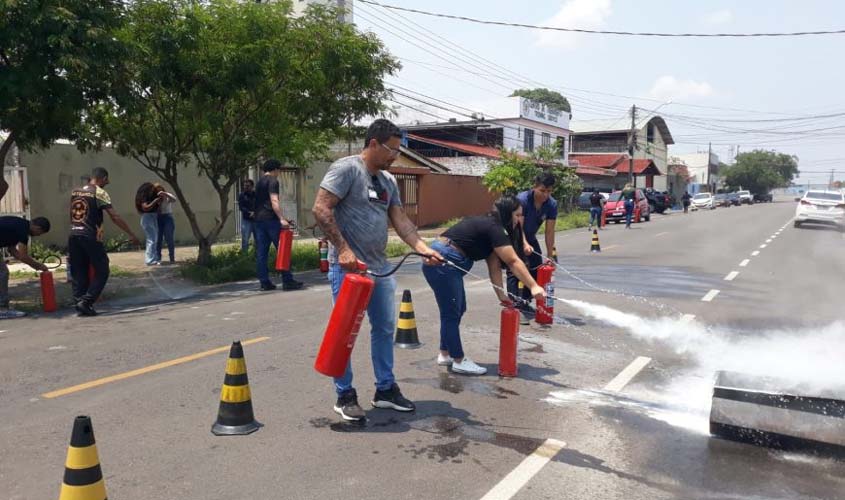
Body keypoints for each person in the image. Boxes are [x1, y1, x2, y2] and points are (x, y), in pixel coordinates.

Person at [312, 118, 442, 422]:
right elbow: (321, 208)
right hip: (349, 270)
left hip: (380, 269)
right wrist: (343, 249)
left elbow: (401, 220)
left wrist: (422, 247)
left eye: (398, 151)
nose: (395, 156)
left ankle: (385, 389)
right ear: (373, 143)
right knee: (345, 333)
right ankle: (344, 394)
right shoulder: (346, 169)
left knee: (384, 328)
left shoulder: (387, 181)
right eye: (392, 150)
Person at [424, 196, 546, 375]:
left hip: (447, 260)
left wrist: (502, 296)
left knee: (457, 309)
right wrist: (534, 286)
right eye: (518, 215)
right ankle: (458, 360)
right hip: (441, 260)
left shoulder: (494, 229)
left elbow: (494, 268)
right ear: (507, 213)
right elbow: (513, 261)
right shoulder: (495, 228)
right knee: (451, 312)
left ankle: (445, 353)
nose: (520, 220)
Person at [70, 167, 141, 316]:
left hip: (74, 234)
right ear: (102, 178)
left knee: (79, 271)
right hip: (90, 235)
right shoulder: (99, 192)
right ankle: (86, 302)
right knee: (102, 269)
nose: (107, 183)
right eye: (106, 181)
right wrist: (131, 234)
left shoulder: (75, 191)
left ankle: (79, 303)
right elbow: (114, 216)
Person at [506, 172, 558, 325]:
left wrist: (550, 255)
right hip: (513, 235)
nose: (545, 195)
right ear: (534, 187)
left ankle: (525, 301)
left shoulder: (551, 204)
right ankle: (515, 306)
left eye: (549, 191)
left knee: (537, 267)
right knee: (515, 268)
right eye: (542, 190)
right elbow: (518, 227)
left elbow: (549, 231)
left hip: (530, 237)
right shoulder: (522, 200)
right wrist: (524, 244)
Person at [253, 159, 303, 291]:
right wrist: (281, 219)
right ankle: (287, 280)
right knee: (282, 250)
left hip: (259, 221)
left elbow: (261, 203)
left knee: (262, 253)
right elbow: (274, 201)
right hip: (271, 220)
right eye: (279, 170)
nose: (279, 172)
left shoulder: (259, 182)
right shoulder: (273, 181)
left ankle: (264, 282)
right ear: (275, 169)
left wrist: (283, 218)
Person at [0, 216, 51, 319]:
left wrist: (32, 263)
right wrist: (39, 266)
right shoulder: (23, 230)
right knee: (2, 273)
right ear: (37, 228)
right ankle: (2, 309)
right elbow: (23, 256)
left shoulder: (19, 225)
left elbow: (13, 251)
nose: (37, 235)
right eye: (39, 233)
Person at [135, 182, 161, 266]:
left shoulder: (151, 197)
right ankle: (150, 260)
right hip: (147, 218)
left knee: (154, 239)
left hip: (152, 217)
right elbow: (145, 208)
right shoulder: (145, 198)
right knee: (152, 239)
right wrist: (155, 201)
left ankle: (154, 258)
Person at [155, 184, 177, 264]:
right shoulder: (154, 198)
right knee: (158, 239)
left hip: (167, 217)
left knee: (169, 237)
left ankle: (172, 257)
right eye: (157, 190)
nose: (158, 192)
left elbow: (174, 199)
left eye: (160, 190)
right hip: (158, 218)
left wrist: (165, 194)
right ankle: (158, 258)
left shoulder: (167, 196)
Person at [238, 179, 257, 252]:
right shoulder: (242, 195)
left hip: (256, 220)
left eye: (248, 186)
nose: (245, 187)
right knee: (245, 239)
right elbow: (241, 207)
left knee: (258, 239)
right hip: (246, 220)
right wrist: (249, 213)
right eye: (244, 186)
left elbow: (260, 205)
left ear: (252, 186)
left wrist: (255, 212)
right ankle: (245, 254)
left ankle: (257, 254)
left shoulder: (256, 195)